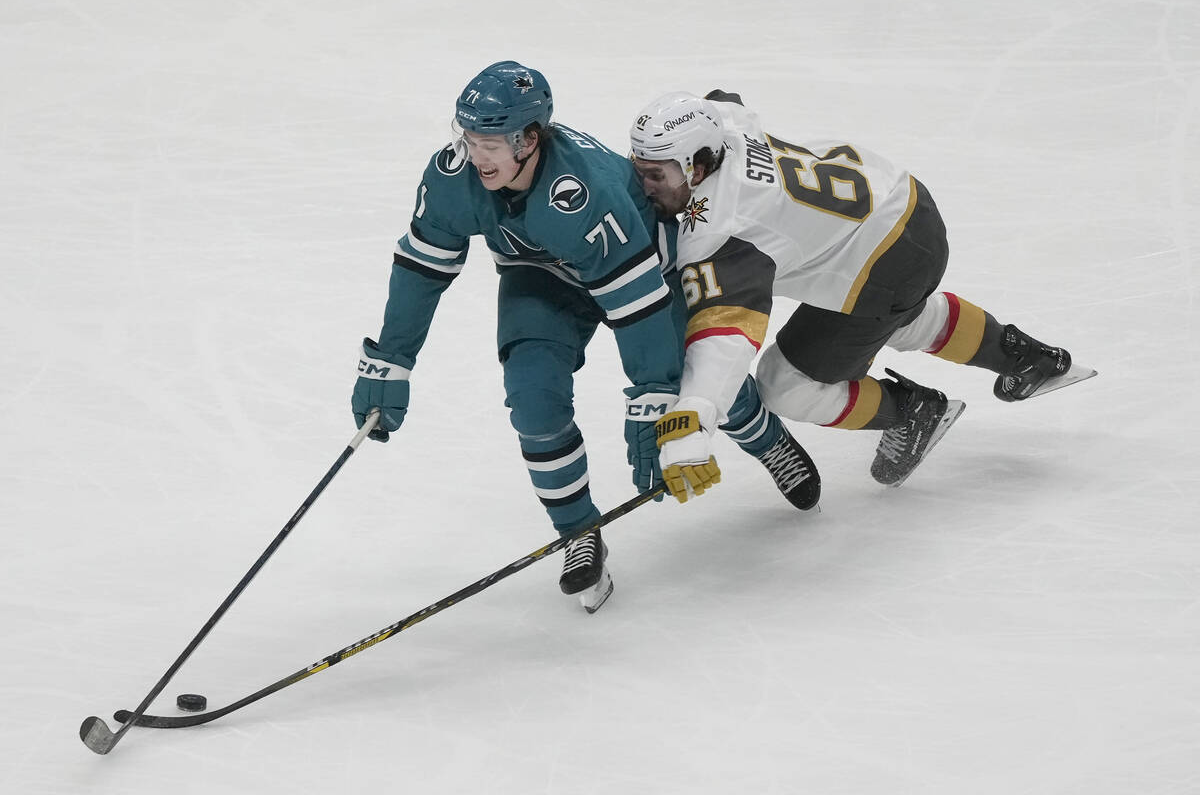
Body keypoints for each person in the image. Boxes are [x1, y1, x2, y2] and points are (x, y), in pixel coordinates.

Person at [351, 63, 819, 613]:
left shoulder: (586, 192)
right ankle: (577, 532)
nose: (477, 156)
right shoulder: (452, 177)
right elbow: (421, 270)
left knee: (701, 383)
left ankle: (768, 441)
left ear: (529, 139)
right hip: (542, 277)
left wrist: (654, 392)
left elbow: (637, 305)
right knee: (533, 405)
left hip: (645, 273)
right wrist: (391, 360)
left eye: (492, 143)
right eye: (469, 137)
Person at [628, 90, 1094, 490]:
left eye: (657, 175)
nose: (645, 186)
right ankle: (1023, 354)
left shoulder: (722, 229)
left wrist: (696, 414)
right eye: (639, 168)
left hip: (884, 263)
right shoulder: (724, 128)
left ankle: (912, 412)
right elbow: (725, 101)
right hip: (902, 199)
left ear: (700, 165)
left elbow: (723, 337)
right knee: (896, 315)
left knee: (785, 386)